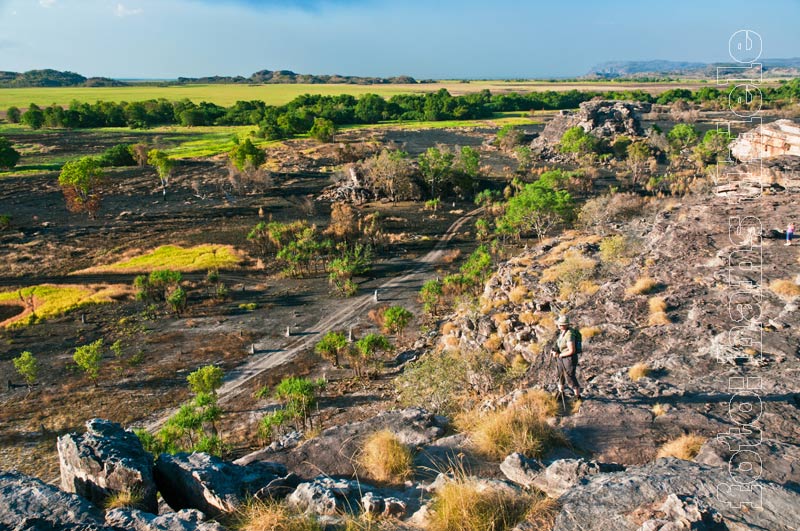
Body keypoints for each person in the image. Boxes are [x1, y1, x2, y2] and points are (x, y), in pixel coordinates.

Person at [551, 314, 582, 399]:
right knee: (560, 374)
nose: (559, 326)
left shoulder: (570, 334)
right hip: (561, 357)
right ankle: (561, 392)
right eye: (559, 324)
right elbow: (559, 343)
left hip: (569, 358)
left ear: (565, 325)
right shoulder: (563, 332)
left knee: (570, 376)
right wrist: (555, 350)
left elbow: (572, 350)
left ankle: (577, 395)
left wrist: (559, 355)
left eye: (561, 325)